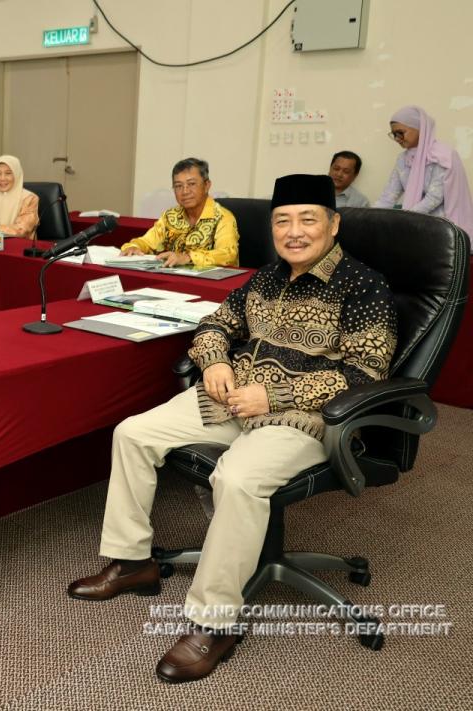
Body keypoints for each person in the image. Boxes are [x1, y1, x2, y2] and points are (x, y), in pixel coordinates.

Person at [67, 174, 397, 684]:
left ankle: (214, 621)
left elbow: (367, 373)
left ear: (333, 224)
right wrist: (216, 360)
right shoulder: (265, 278)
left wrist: (275, 394)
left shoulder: (364, 286)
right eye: (282, 221)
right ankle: (133, 563)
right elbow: (215, 325)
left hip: (305, 417)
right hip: (232, 400)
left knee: (236, 479)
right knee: (132, 433)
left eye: (307, 219)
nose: (294, 232)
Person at [374, 105, 473, 238]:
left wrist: (405, 219)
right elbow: (389, 195)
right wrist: (370, 217)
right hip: (415, 224)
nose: (397, 138)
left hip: (444, 228)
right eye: (394, 134)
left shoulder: (442, 156)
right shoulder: (403, 159)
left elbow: (434, 198)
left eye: (400, 132)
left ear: (420, 128)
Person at [120, 158, 239, 267]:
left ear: (207, 185)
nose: (185, 191)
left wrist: (188, 257)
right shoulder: (170, 216)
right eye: (178, 186)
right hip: (173, 277)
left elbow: (228, 255)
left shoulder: (222, 217)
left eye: (191, 184)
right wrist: (134, 247)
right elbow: (146, 241)